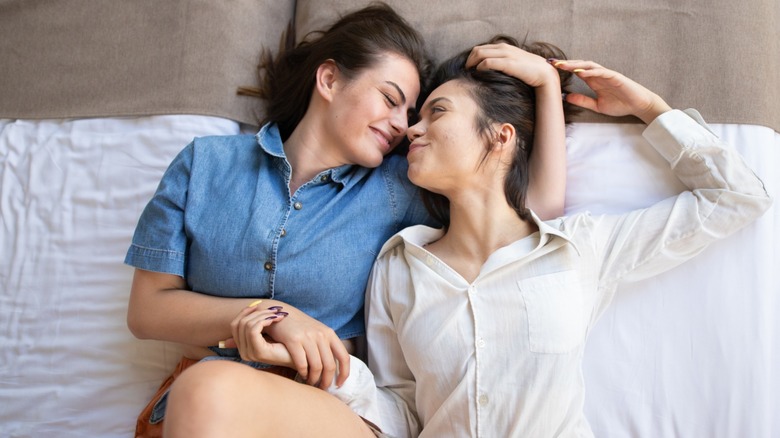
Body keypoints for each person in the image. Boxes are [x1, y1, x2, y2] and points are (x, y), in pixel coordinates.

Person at [124, 3, 570, 437]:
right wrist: (274, 317)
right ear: (330, 78)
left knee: (209, 390)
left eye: (411, 114)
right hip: (203, 408)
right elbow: (147, 311)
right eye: (391, 100)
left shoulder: (401, 188)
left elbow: (530, 211)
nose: (402, 125)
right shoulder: (205, 164)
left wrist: (547, 84)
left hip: (330, 409)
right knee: (206, 392)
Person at [361, 39, 773, 437]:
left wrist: (647, 108)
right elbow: (399, 412)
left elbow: (738, 196)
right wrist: (336, 378)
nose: (412, 129)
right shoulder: (398, 265)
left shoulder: (579, 249)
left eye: (438, 112)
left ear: (500, 137)